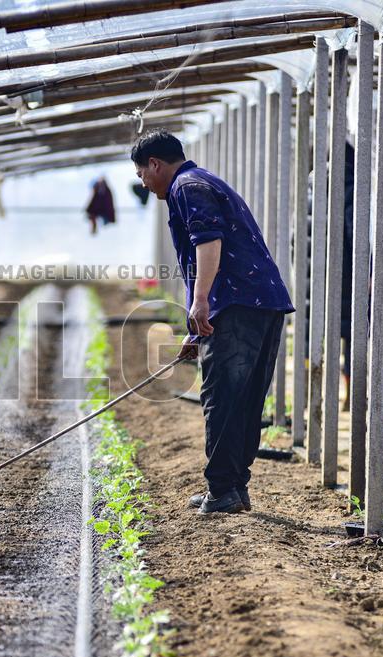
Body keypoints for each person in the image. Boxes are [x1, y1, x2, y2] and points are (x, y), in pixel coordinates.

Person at [131, 128, 294, 514]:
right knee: (245, 398)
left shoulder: (186, 187)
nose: (143, 183)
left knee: (221, 397)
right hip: (261, 302)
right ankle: (233, 487)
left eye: (141, 174)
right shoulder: (203, 181)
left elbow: (208, 242)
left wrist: (201, 302)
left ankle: (222, 489)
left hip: (237, 302)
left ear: (155, 164)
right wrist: (195, 328)